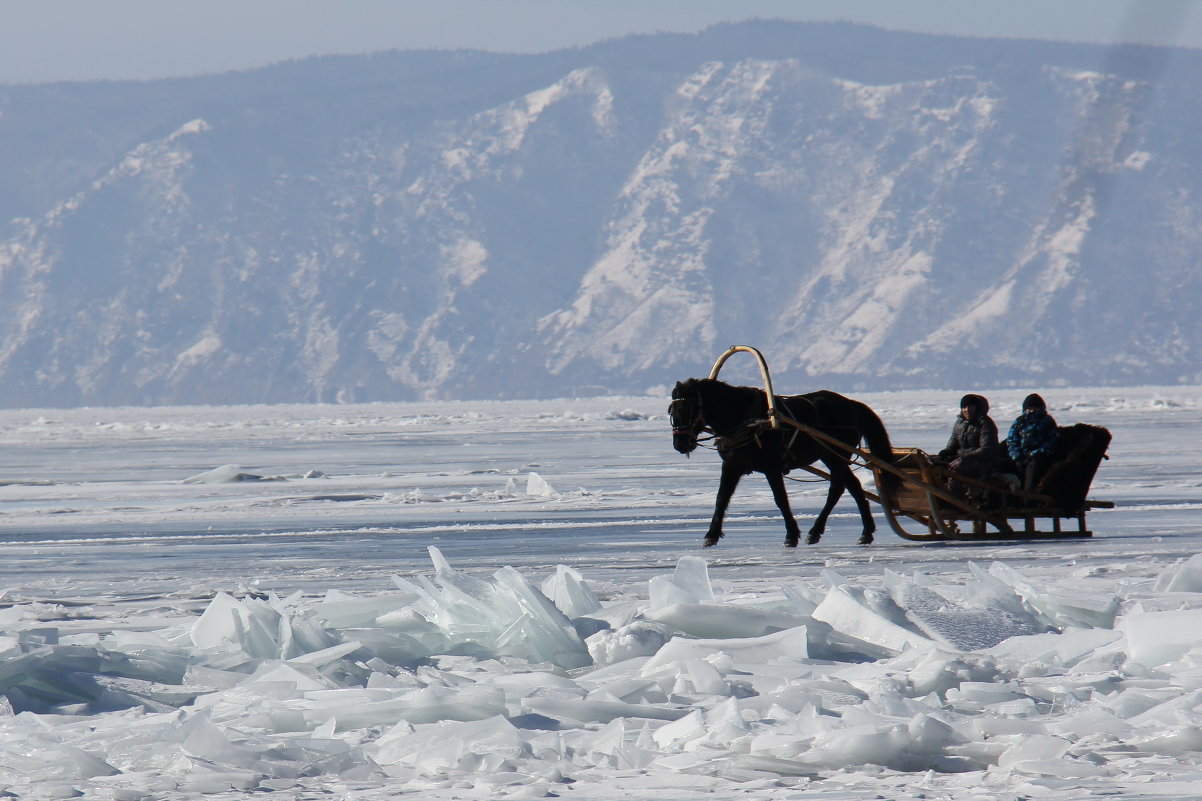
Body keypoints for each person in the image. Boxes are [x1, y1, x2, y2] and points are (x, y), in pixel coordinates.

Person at [936, 394, 1002, 496]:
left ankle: (954, 501)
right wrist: (945, 453)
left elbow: (986, 450)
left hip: (985, 463)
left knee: (957, 466)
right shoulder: (960, 423)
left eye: (970, 406)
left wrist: (963, 455)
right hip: (964, 459)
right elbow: (952, 445)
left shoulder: (985, 424)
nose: (966, 410)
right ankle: (938, 496)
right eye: (964, 407)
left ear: (977, 408)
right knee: (937, 464)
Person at [1006, 393, 1060, 492]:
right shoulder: (1020, 421)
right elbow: (1012, 440)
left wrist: (1036, 453)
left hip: (1040, 457)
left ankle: (1028, 498)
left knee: (1032, 469)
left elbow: (1052, 440)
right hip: (1022, 456)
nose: (1032, 411)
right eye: (1029, 409)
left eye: (1035, 409)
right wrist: (1017, 456)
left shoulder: (1046, 421)